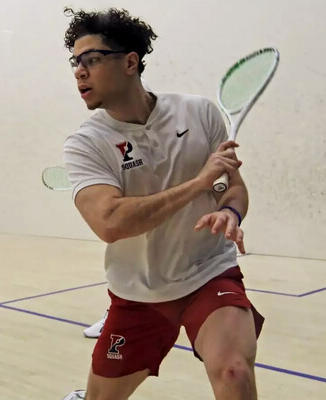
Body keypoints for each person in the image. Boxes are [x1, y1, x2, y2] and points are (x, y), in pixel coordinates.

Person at [61, 7, 264, 400]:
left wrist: (229, 211)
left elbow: (231, 187)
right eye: (75, 62)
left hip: (208, 272)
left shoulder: (199, 113)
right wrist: (198, 184)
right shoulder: (85, 144)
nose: (79, 72)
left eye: (92, 60)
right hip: (139, 294)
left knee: (234, 372)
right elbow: (110, 222)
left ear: (130, 62)